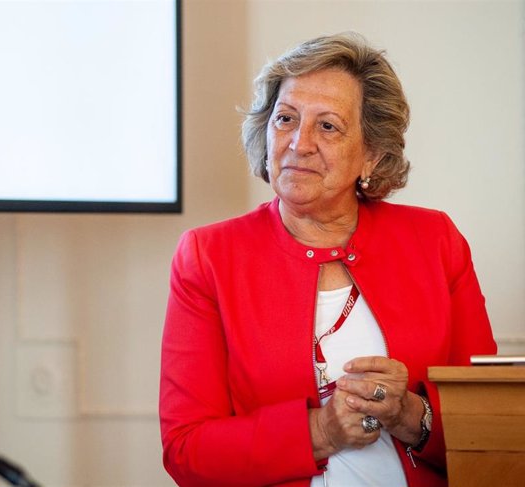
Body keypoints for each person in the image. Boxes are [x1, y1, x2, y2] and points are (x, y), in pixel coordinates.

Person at [159, 32, 496, 487]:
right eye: (285, 119)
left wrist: (408, 414)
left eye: (328, 126)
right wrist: (321, 431)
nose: (299, 143)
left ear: (371, 155)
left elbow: (490, 424)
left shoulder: (435, 241)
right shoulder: (209, 256)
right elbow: (187, 450)